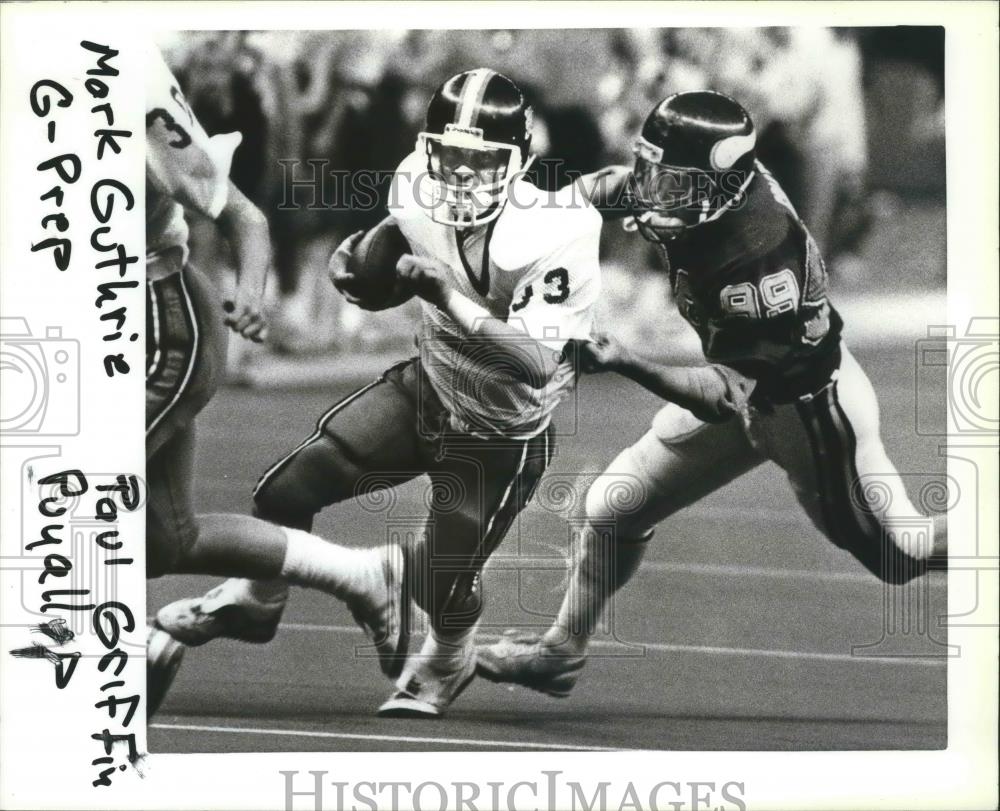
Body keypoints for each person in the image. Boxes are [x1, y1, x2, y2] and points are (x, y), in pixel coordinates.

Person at [155, 69, 603, 718]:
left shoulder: (558, 230)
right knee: (285, 491)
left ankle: (450, 656)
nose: (458, 177)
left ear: (520, 161)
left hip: (499, 430)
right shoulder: (414, 185)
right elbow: (384, 250)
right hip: (428, 385)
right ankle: (257, 602)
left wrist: (444, 294)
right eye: (447, 157)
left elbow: (536, 361)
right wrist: (358, 261)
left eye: (480, 164)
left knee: (435, 579)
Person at [476, 91, 947, 697]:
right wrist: (540, 211)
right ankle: (559, 653)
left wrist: (625, 360)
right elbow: (624, 184)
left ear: (721, 187)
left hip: (811, 412)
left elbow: (723, 397)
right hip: (755, 390)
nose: (655, 192)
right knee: (614, 505)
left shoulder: (757, 260)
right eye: (656, 172)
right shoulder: (706, 188)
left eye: (673, 184)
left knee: (899, 554)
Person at [144, 45, 407, 714]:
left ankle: (116, 650)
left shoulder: (119, 87)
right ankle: (362, 573)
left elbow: (245, 216)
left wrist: (253, 293)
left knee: (64, 496)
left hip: (153, 321)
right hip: (104, 327)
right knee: (166, 537)